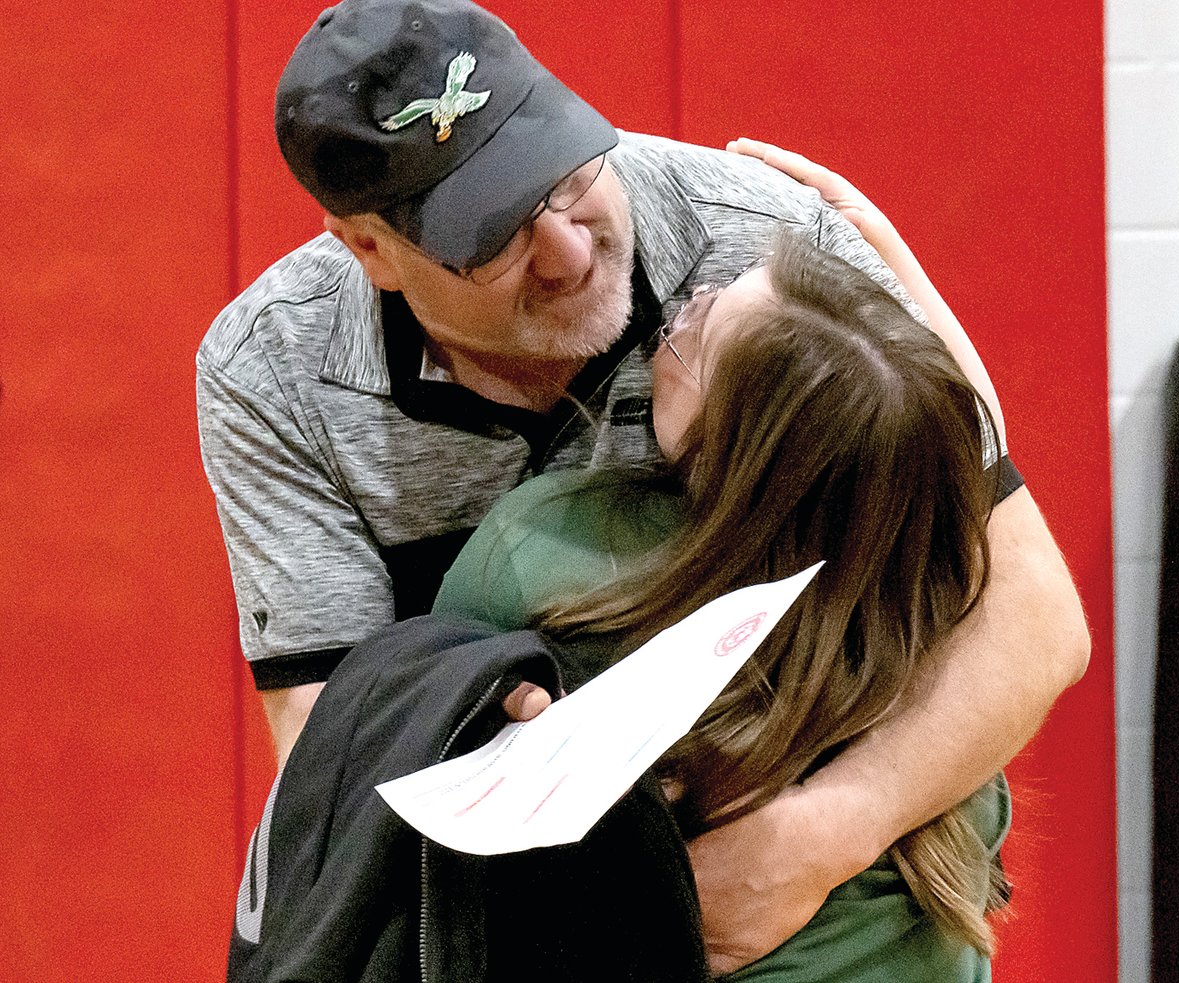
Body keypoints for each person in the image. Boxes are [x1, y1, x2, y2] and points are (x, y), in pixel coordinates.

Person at [197, 0, 1089, 970]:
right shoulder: (273, 368)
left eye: (571, 176)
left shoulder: (766, 240)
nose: (571, 253)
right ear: (369, 248)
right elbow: (341, 765)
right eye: (489, 236)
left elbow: (1035, 615)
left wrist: (828, 830)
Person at [433, 226, 1010, 980]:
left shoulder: (542, 549)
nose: (684, 303)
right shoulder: (956, 686)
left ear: (731, 458)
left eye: (691, 336)